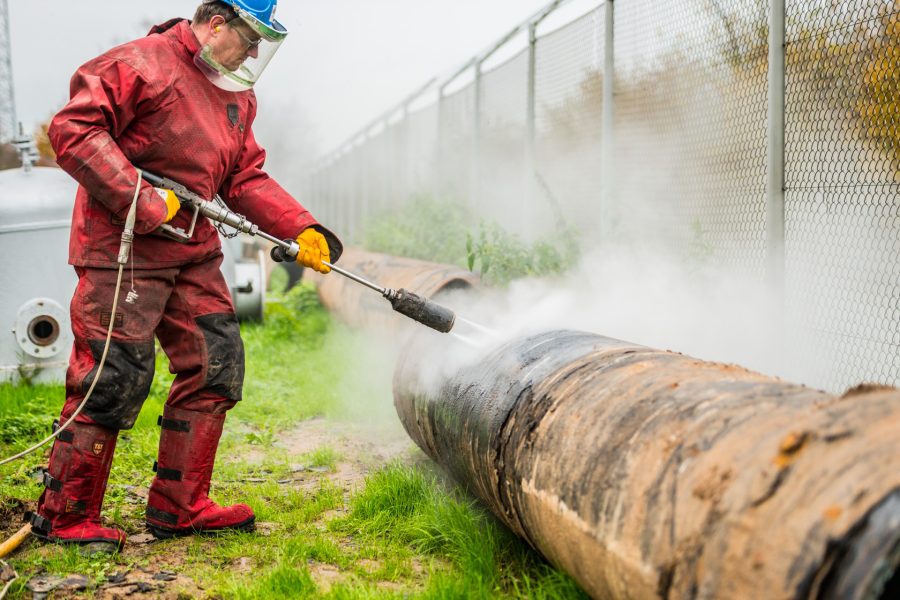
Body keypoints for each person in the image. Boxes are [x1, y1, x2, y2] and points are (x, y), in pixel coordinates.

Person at [24, 0, 341, 552]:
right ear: (216, 23)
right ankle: (66, 514)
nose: (255, 52)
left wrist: (302, 227)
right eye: (250, 37)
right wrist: (144, 200)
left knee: (215, 363)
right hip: (123, 250)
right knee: (112, 375)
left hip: (190, 251)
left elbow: (244, 177)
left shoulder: (236, 95)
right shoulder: (142, 63)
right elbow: (73, 129)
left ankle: (180, 507)